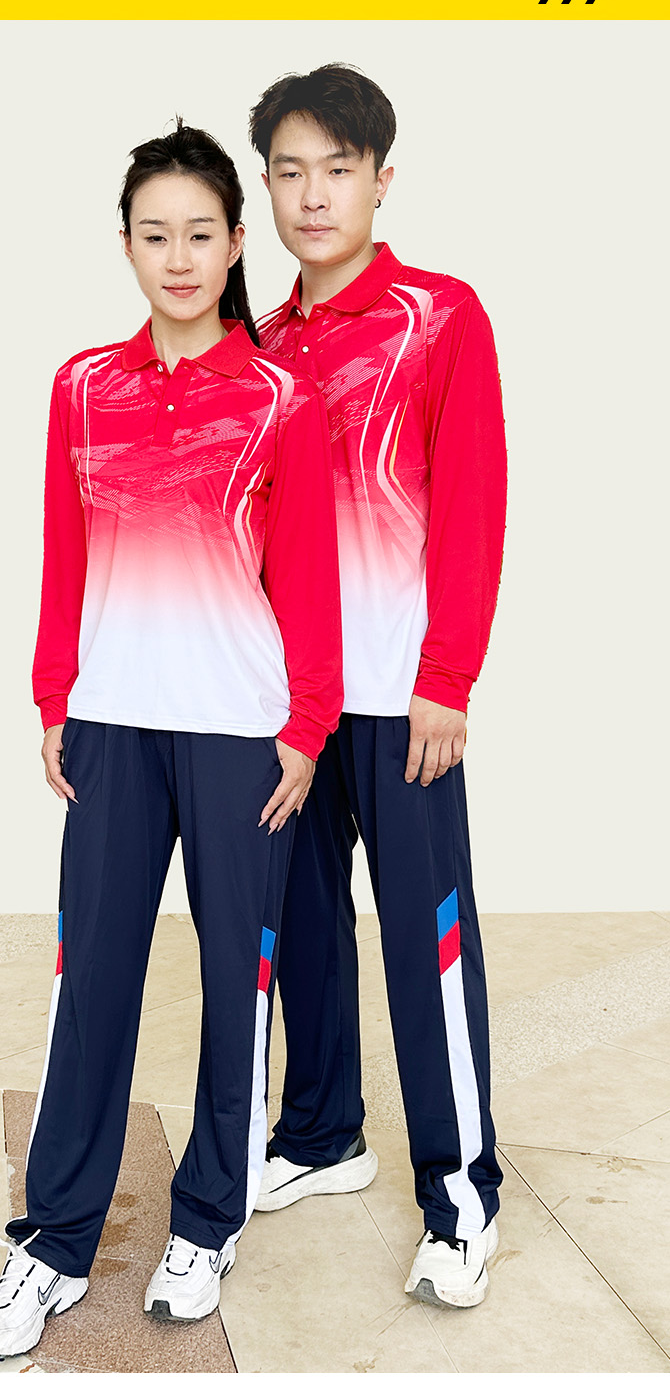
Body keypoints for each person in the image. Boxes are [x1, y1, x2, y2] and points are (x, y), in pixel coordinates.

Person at [0, 120, 342, 1359]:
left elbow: (310, 577)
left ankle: (207, 1218)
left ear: (234, 246)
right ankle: (53, 1238)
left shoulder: (280, 399)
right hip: (113, 727)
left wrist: (306, 726)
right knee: (92, 984)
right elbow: (61, 551)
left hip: (240, 733)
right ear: (126, 245)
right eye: (154, 235)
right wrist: (53, 696)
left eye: (200, 234)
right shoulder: (84, 386)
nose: (178, 258)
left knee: (238, 979)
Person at [248, 64, 507, 1309]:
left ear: (380, 179)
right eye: (289, 171)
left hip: (405, 699)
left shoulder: (439, 317)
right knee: (300, 928)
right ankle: (319, 1132)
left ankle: (460, 1195)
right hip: (285, 708)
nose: (313, 195)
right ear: (265, 186)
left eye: (336, 169)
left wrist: (445, 674)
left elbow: (472, 502)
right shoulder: (255, 345)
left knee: (427, 940)